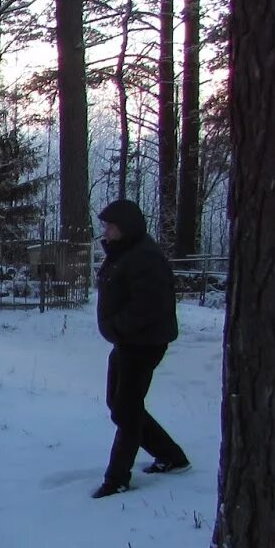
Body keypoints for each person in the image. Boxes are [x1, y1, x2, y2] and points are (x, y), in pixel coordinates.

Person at [91, 199, 190, 498]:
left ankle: (117, 479)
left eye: (110, 226)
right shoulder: (124, 252)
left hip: (144, 343)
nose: (105, 232)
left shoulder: (145, 257)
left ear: (126, 227)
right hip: (127, 342)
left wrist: (117, 326)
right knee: (118, 404)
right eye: (104, 226)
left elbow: (148, 306)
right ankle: (171, 456)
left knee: (126, 410)